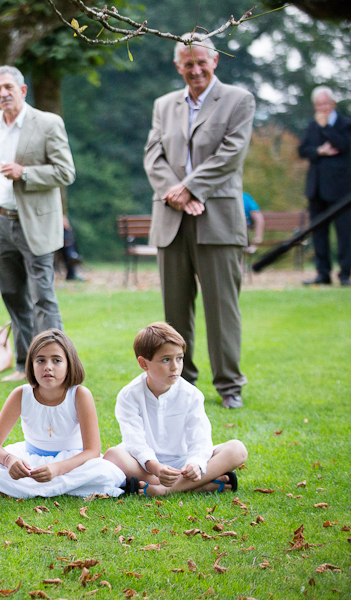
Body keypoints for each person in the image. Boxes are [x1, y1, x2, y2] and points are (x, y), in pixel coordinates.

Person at [143, 34, 255, 409]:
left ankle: (229, 387)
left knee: (222, 309)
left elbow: (232, 154)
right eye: (187, 64)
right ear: (178, 66)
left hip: (218, 218)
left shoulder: (239, 100)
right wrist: (175, 193)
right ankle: (180, 385)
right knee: (174, 313)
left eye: (201, 62)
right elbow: (153, 156)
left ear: (214, 61)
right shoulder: (164, 104)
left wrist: (190, 189)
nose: (195, 70)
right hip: (171, 218)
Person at [0, 65, 76, 383]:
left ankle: (57, 364)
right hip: (0, 220)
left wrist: (26, 173)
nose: (3, 94)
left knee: (42, 295)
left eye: (8, 88)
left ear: (23, 90)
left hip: (37, 222)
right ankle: (23, 364)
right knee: (12, 293)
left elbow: (65, 172)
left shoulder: (46, 123)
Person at [0, 329, 125, 500]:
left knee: (104, 472)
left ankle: (13, 490)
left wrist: (57, 469)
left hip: (71, 463)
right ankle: (58, 489)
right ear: (31, 365)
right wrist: (9, 460)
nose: (48, 367)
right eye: (40, 360)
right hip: (29, 462)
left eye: (57, 360)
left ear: (69, 364)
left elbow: (92, 451)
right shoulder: (21, 394)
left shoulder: (80, 395)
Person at [103, 322, 248, 496]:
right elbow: (134, 440)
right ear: (143, 363)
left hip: (183, 464)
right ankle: (201, 485)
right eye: (166, 360)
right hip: (145, 465)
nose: (175, 367)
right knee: (112, 455)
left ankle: (162, 490)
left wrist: (196, 464)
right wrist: (155, 467)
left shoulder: (191, 394)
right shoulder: (129, 395)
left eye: (179, 358)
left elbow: (200, 437)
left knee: (237, 449)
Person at [298, 86, 351, 286]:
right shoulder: (312, 125)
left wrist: (325, 128)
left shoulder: (345, 123)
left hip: (340, 190)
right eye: (319, 104)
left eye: (325, 103)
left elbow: (344, 145)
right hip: (316, 188)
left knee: (343, 233)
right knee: (319, 233)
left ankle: (345, 274)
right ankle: (323, 274)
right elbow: (303, 150)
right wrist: (320, 151)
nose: (322, 108)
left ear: (333, 104)